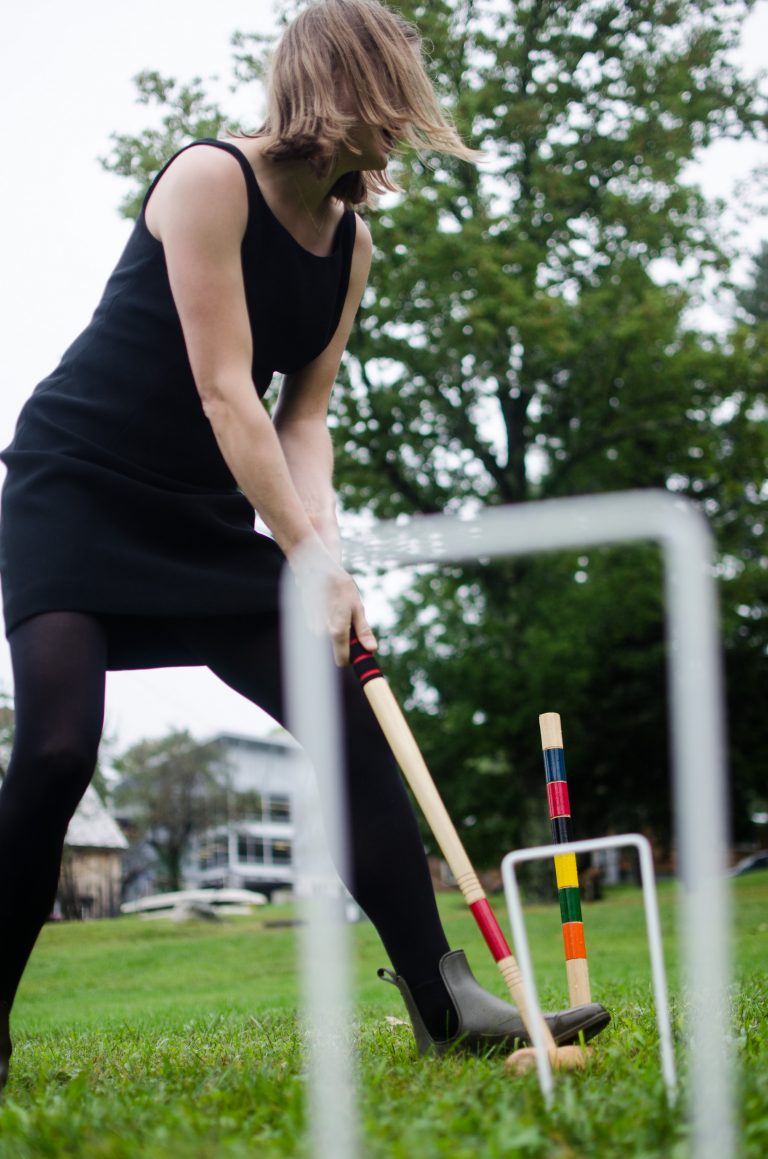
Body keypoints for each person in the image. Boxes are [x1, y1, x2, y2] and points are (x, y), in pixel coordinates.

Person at [0, 0, 608, 1090]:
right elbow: (225, 388)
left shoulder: (351, 246)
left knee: (348, 709)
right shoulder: (205, 181)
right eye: (393, 108)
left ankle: (442, 996)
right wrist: (303, 553)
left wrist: (319, 551)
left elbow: (303, 416)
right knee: (53, 749)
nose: (402, 134)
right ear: (340, 91)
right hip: (73, 490)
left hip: (201, 510)